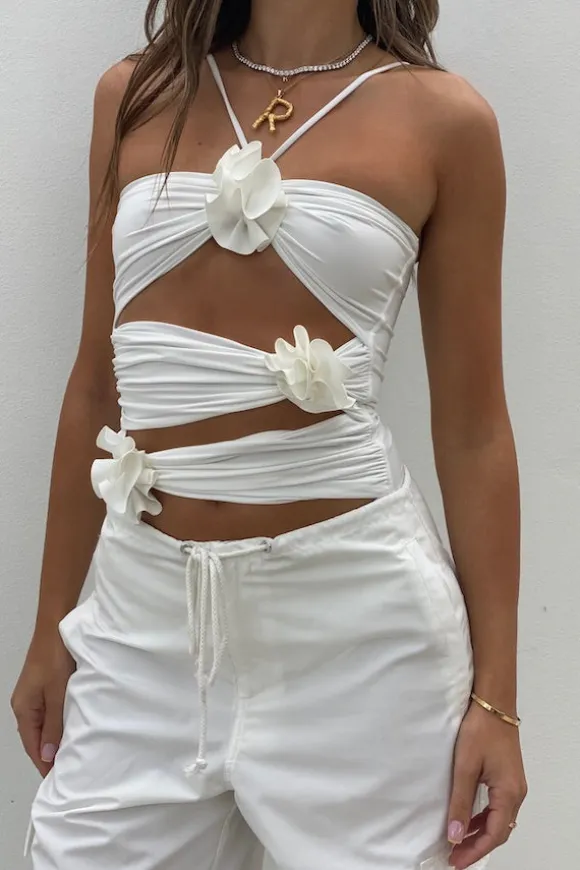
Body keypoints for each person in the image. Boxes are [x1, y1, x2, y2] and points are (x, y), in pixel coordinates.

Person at [11, 1, 527, 868]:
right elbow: (98, 383)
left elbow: (475, 430)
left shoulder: (446, 122)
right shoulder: (137, 96)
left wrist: (498, 700)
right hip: (142, 622)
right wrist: (49, 630)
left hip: (360, 633)